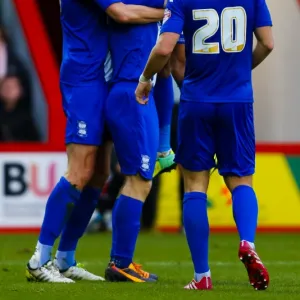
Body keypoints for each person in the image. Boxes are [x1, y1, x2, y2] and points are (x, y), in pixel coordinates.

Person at [136, 0, 274, 291]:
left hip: (196, 100)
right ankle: (247, 243)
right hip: (237, 101)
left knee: (195, 186)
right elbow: (268, 43)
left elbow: (164, 49)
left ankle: (202, 276)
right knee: (241, 182)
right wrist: (240, 70)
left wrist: (146, 78)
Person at [26, 0, 165, 283]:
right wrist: (171, 12)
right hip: (84, 79)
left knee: (98, 173)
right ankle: (39, 259)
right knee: (79, 170)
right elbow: (121, 13)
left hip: (103, 79)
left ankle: (65, 258)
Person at [104, 0, 168, 283]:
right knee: (139, 180)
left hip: (142, 91)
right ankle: (120, 263)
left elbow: (165, 70)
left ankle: (122, 260)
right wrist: (167, 14)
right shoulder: (129, 8)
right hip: (132, 90)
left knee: (142, 179)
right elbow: (123, 13)